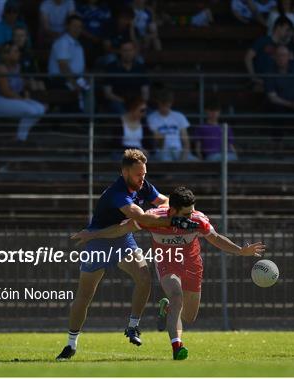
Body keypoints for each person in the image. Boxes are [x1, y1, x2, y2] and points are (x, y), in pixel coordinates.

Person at [70, 186, 265, 360]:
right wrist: (93, 234)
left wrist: (240, 250)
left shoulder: (198, 220)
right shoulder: (153, 218)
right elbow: (122, 229)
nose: (191, 216)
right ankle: (177, 346)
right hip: (167, 263)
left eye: (192, 211)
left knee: (189, 317)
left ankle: (167, 308)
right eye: (186, 214)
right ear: (172, 211)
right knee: (176, 295)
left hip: (192, 264)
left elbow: (216, 238)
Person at [56, 149, 199, 360]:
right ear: (124, 172)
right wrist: (175, 220)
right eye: (138, 175)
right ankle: (71, 343)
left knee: (144, 278)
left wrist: (183, 209)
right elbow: (141, 217)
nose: (142, 179)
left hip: (123, 239)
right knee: (85, 295)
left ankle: (132, 326)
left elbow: (163, 201)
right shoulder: (117, 193)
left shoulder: (143, 185)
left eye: (144, 174)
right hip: (97, 241)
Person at [0, 43, 47, 142]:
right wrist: (23, 100)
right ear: (6, 55)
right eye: (15, 51)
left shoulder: (18, 67)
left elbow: (20, 85)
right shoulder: (0, 68)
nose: (18, 53)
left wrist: (30, 84)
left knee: (40, 109)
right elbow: (5, 91)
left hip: (11, 100)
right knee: (31, 111)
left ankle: (20, 138)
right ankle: (20, 138)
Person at [48, 15, 89, 112]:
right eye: (74, 26)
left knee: (92, 87)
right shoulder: (63, 42)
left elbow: (81, 67)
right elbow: (63, 66)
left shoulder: (78, 44)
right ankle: (77, 120)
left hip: (77, 78)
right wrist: (74, 83)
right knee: (78, 91)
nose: (77, 29)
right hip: (60, 79)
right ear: (67, 26)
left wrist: (86, 79)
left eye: (79, 27)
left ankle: (87, 120)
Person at [147, 88, 198, 162]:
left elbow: (186, 142)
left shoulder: (179, 116)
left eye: (167, 105)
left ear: (171, 103)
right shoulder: (151, 118)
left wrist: (183, 158)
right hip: (162, 152)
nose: (164, 108)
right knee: (167, 163)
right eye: (162, 104)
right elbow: (157, 143)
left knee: (199, 163)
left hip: (179, 151)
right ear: (158, 103)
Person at [103, 40, 150, 115]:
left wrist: (139, 102)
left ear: (134, 51)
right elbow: (107, 93)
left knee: (148, 113)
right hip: (118, 101)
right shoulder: (111, 67)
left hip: (136, 101)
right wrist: (122, 100)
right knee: (125, 114)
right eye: (125, 50)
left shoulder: (141, 68)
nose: (128, 53)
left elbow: (145, 92)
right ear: (120, 52)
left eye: (130, 50)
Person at [244, 16, 293, 86]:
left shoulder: (286, 46)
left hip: (278, 83)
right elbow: (248, 57)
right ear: (279, 27)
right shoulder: (263, 40)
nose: (288, 33)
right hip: (261, 82)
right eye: (287, 30)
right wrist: (253, 77)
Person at [0, 1, 27, 66]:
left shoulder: (22, 26)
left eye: (14, 11)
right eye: (8, 11)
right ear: (4, 12)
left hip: (20, 62)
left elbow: (27, 46)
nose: (11, 14)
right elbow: (0, 50)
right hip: (1, 64)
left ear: (18, 13)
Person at [12, 26, 46, 92]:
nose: (19, 38)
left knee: (41, 84)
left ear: (26, 38)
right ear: (13, 37)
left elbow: (35, 71)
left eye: (22, 36)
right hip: (14, 80)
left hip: (29, 79)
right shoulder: (9, 51)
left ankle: (42, 102)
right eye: (16, 36)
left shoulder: (29, 53)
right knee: (33, 84)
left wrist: (33, 79)